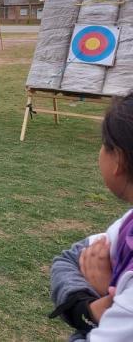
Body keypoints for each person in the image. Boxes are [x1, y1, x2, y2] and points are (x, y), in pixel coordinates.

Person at [49, 92, 133, 341]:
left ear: (117, 158)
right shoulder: (127, 226)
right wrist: (87, 309)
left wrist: (114, 302)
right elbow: (70, 259)